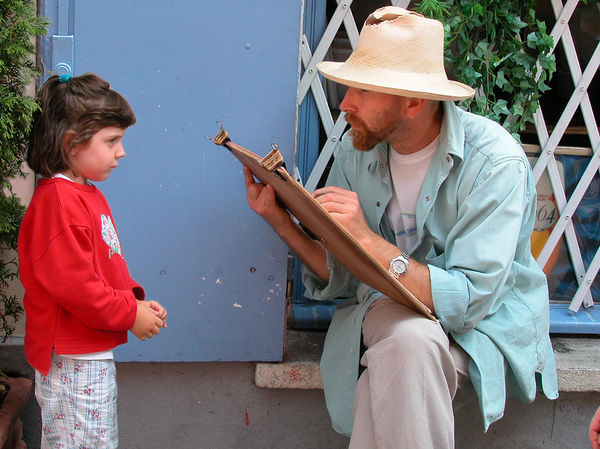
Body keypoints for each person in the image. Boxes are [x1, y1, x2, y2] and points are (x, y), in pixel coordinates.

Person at [243, 7, 558, 449]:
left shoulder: (495, 164)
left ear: (414, 102)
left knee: (405, 351)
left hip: (479, 328)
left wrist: (367, 239)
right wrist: (280, 219)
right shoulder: (358, 151)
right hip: (389, 311)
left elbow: (469, 302)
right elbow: (344, 273)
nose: (344, 103)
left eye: (363, 90)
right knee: (409, 340)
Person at [18, 73, 168, 449]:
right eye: (112, 141)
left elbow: (102, 269)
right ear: (72, 143)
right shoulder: (58, 202)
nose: (122, 152)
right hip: (73, 360)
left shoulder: (85, 194)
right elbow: (77, 288)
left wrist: (134, 302)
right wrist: (129, 314)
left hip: (87, 354)